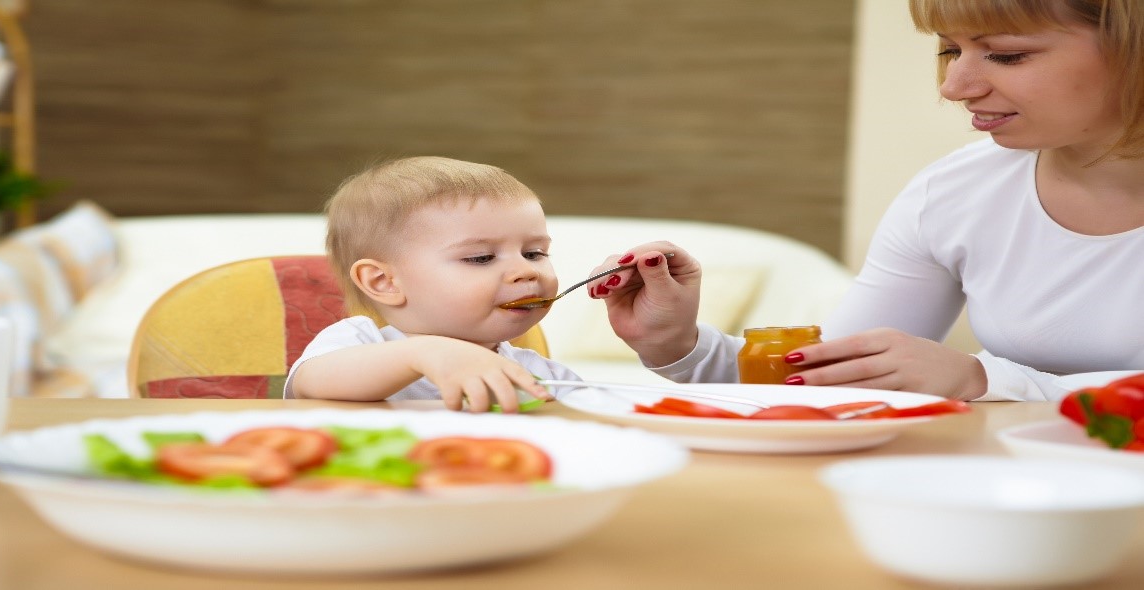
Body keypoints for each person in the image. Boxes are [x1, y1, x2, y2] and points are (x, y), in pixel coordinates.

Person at [590, 0, 1144, 402]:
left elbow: (987, 385)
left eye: (1006, 55)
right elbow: (827, 383)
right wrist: (677, 343)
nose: (954, 86)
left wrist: (984, 380)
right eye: (951, 49)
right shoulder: (955, 194)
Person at [285, 156, 578, 411]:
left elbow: (609, 428)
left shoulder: (539, 374)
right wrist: (426, 353)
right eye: (481, 257)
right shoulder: (356, 343)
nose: (525, 270)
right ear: (384, 282)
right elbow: (311, 382)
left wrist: (627, 339)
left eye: (534, 253)